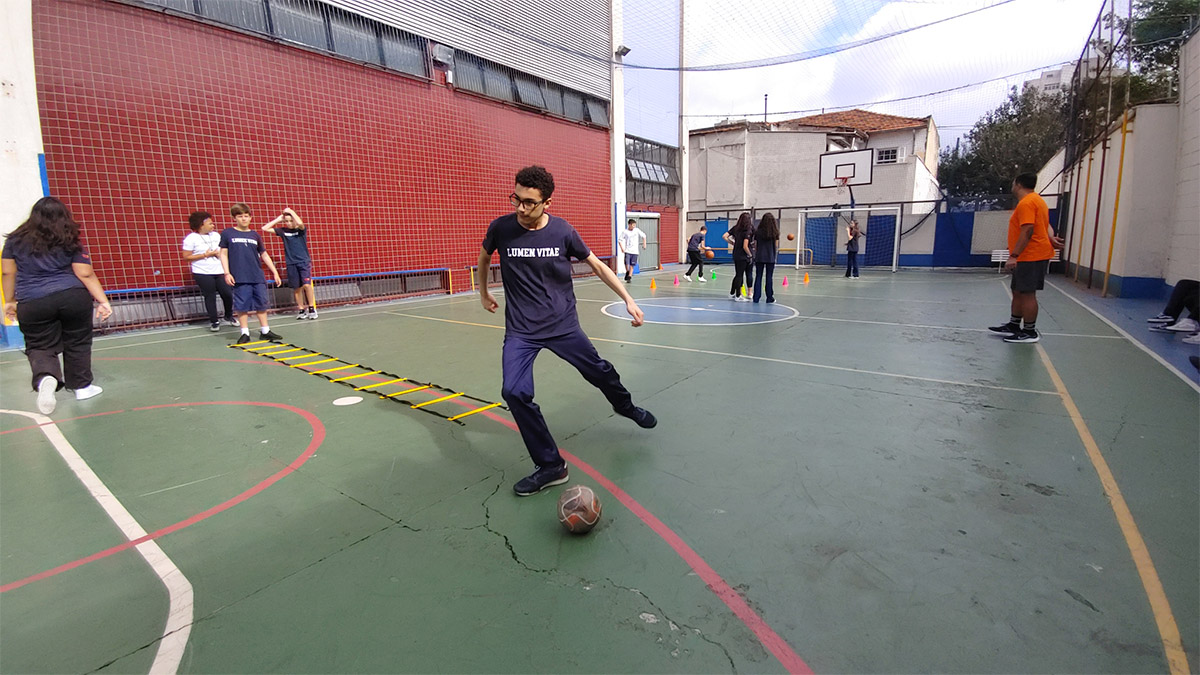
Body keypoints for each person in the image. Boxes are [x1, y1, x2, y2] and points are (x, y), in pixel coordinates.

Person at [478, 166, 656, 496]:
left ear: (548, 202)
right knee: (514, 392)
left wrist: (629, 299)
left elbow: (598, 265)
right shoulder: (502, 228)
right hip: (521, 330)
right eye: (516, 198)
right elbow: (485, 256)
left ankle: (625, 406)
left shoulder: (562, 231)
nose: (520, 208)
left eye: (530, 202)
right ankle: (550, 466)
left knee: (600, 372)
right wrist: (484, 291)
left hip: (562, 325)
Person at [1, 197, 112, 414]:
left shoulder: (14, 241)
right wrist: (102, 300)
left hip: (33, 299)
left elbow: (8, 272)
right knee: (77, 341)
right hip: (72, 296)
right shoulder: (70, 238)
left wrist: (9, 301)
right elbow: (85, 273)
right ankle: (82, 387)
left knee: (39, 344)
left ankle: (46, 378)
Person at [988, 173, 1064, 344]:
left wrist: (1014, 255)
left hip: (1031, 255)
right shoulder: (1037, 201)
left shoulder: (1027, 203)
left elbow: (1028, 229)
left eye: (1013, 182)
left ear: (1018, 184)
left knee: (1028, 293)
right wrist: (1051, 237)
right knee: (1018, 291)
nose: (1012, 186)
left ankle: (1029, 331)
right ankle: (1014, 325)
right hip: (1028, 255)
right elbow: (1046, 225)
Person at [219, 203, 282, 345]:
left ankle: (265, 331)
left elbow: (264, 254)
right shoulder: (228, 234)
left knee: (262, 303)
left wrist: (275, 272)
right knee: (242, 305)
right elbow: (223, 254)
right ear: (235, 218)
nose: (243, 219)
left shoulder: (255, 235)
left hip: (257, 275)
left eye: (246, 216)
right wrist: (227, 273)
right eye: (240, 216)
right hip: (240, 276)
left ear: (250, 218)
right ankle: (244, 333)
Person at [183, 211, 236, 331]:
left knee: (227, 293)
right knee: (210, 296)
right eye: (210, 223)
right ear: (201, 225)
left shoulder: (216, 235)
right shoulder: (191, 238)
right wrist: (204, 255)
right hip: (202, 272)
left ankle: (229, 315)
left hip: (220, 270)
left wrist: (220, 254)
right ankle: (214, 321)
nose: (213, 225)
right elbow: (186, 257)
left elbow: (224, 249)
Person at [263, 207, 317, 320]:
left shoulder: (301, 230)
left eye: (290, 220)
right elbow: (265, 228)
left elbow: (300, 223)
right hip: (291, 263)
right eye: (286, 221)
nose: (288, 223)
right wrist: (278, 219)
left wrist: (292, 212)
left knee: (307, 285)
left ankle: (312, 308)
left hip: (303, 261)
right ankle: (301, 309)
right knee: (297, 288)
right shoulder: (283, 231)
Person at [724, 212, 752, 302]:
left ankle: (732, 293)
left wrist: (732, 243)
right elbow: (745, 246)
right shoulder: (747, 230)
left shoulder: (736, 228)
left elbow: (724, 236)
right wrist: (750, 255)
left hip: (736, 253)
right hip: (743, 255)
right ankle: (738, 295)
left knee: (738, 274)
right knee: (740, 275)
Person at [753, 212, 780, 303]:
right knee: (769, 277)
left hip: (760, 256)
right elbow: (776, 246)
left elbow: (756, 245)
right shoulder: (775, 232)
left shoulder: (758, 232)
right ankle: (769, 297)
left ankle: (756, 297)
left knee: (758, 276)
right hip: (770, 257)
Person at [618, 218, 648, 282]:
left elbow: (644, 236)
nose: (634, 226)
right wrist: (622, 248)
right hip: (627, 250)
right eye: (633, 225)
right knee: (626, 263)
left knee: (632, 264)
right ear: (629, 225)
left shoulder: (636, 230)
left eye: (635, 225)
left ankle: (629, 276)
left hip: (635, 251)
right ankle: (627, 271)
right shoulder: (625, 232)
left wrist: (644, 244)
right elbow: (619, 240)